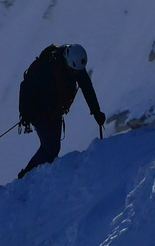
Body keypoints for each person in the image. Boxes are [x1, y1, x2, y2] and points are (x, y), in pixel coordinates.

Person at [17, 43, 105, 179]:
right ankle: (27, 176)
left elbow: (87, 87)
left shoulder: (75, 66)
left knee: (53, 148)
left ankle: (32, 177)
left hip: (54, 111)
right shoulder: (46, 67)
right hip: (37, 111)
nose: (76, 74)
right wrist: (25, 112)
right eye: (73, 71)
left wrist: (96, 111)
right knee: (50, 148)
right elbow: (26, 88)